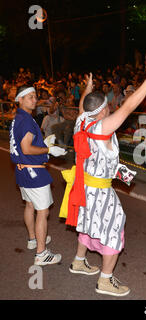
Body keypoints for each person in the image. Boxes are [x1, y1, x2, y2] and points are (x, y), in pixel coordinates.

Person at [60, 65, 146, 297]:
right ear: (101, 111)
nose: (111, 108)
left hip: (84, 187)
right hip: (99, 190)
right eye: (107, 106)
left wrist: (88, 89)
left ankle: (79, 261)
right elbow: (128, 107)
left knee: (88, 223)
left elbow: (83, 107)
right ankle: (105, 281)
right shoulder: (102, 127)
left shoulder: (82, 120)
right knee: (113, 229)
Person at [9, 86, 67, 265]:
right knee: (42, 211)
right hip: (33, 171)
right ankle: (41, 253)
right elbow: (26, 148)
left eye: (35, 96)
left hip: (22, 170)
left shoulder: (19, 117)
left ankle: (33, 239)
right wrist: (49, 149)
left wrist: (44, 145)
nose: (34, 100)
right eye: (30, 97)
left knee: (29, 205)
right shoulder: (26, 120)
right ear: (20, 99)